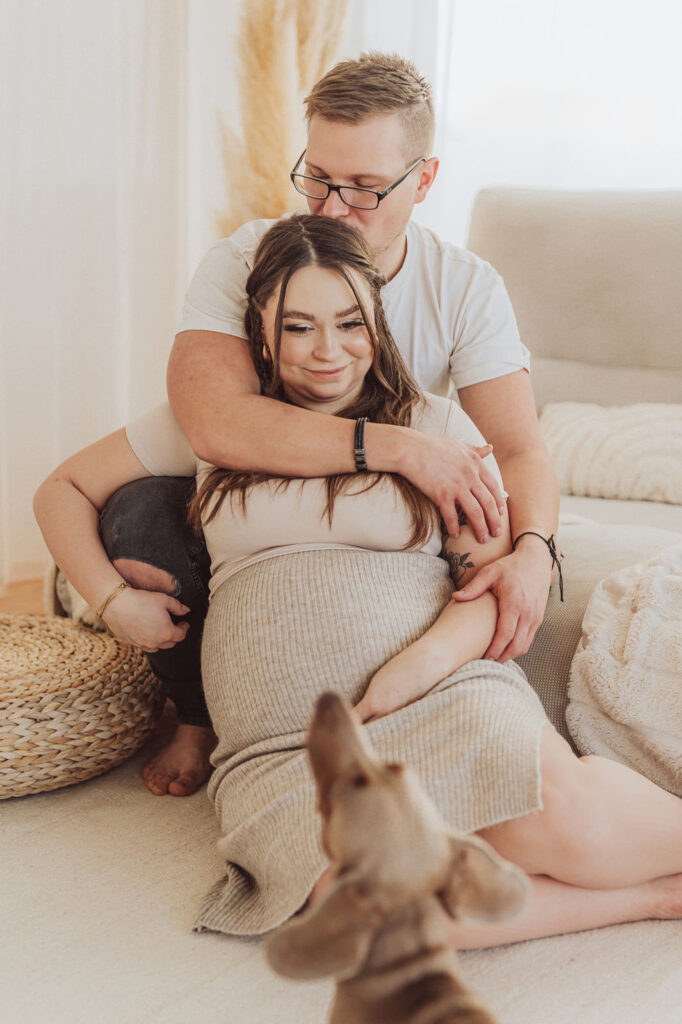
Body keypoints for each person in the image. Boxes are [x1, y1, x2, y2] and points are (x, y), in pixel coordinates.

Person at [35, 215, 682, 945]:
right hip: (286, 744)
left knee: (563, 826)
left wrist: (418, 668)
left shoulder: (438, 429)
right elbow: (61, 490)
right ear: (261, 333)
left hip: (436, 696)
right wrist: (113, 600)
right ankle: (655, 899)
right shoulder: (219, 427)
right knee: (375, 910)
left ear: (378, 318)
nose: (326, 352)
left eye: (349, 322)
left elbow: (491, 581)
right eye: (298, 327)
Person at [92, 51, 560, 797]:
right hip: (249, 480)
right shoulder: (250, 259)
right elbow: (212, 422)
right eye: (318, 178)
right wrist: (400, 450)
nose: (334, 208)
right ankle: (197, 713)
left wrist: (535, 551)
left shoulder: (464, 286)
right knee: (141, 515)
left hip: (365, 503)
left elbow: (519, 447)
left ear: (425, 181)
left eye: (367, 188)